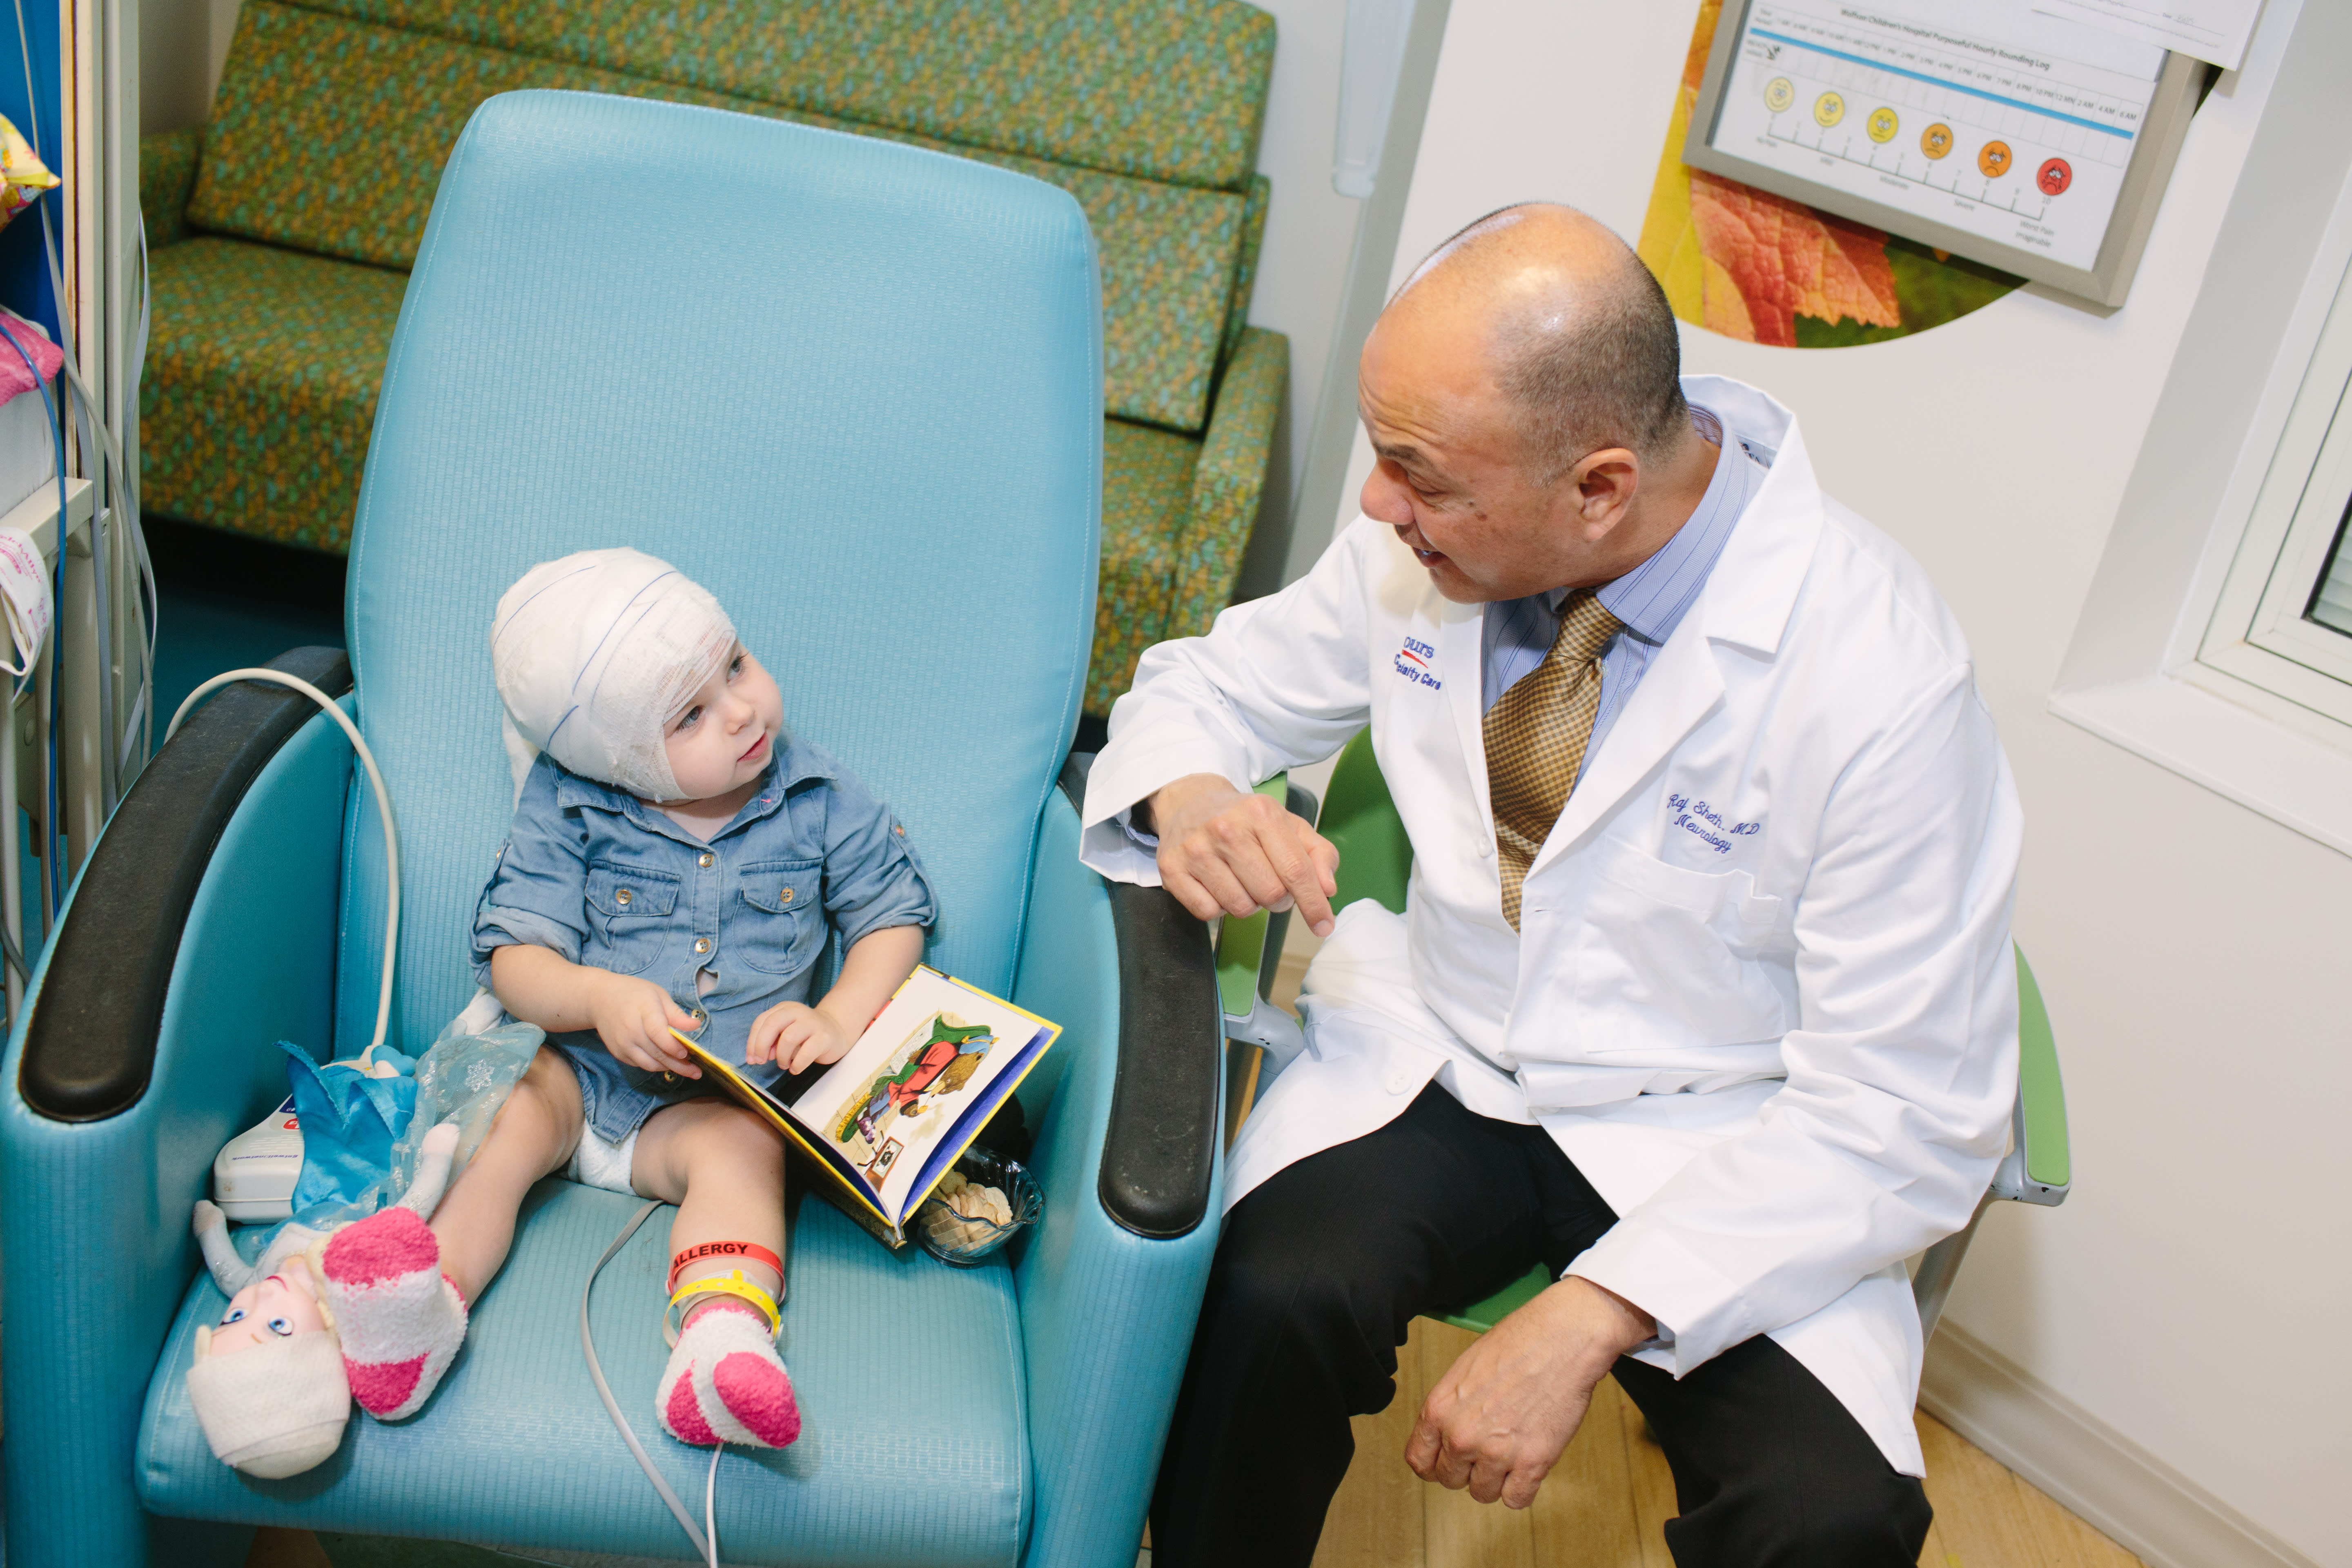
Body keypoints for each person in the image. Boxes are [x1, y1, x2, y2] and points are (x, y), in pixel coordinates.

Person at [1080, 206, 2022, 1565]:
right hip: (1449, 1049)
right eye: (1382, 455)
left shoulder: (1879, 680)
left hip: (1725, 1124)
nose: (1374, 504)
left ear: (1597, 488)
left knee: (1828, 1517)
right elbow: (1205, 687)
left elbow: (1911, 1111)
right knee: (1257, 1304)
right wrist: (1197, 793)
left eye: (1419, 475)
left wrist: (1594, 1312)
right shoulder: (1432, 538)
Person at [315, 547, 935, 1450]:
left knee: (748, 1149)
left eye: (736, 665)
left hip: (705, 1108)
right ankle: (418, 1319)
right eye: (691, 714)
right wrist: (598, 997)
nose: (742, 710)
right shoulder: (571, 805)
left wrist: (837, 1016)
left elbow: (892, 918)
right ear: (622, 757)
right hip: (575, 1081)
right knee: (507, 1127)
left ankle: (722, 1341)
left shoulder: (819, 795)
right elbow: (515, 961)